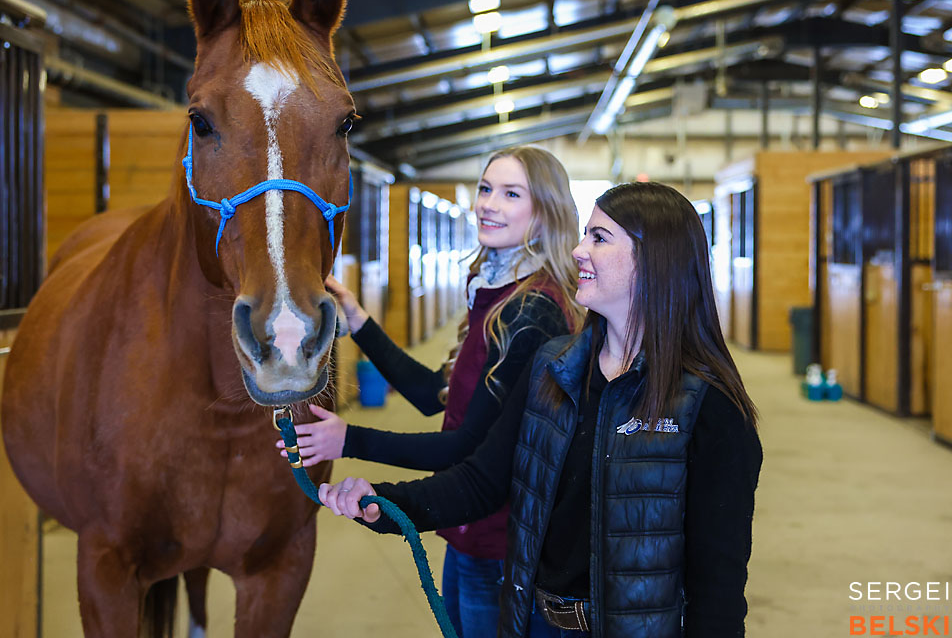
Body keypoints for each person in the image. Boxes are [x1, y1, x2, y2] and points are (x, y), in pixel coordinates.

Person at [317, 181, 763, 638]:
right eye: (585, 234)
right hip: (535, 623)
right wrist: (386, 504)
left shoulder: (710, 404)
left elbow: (719, 583)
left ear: (654, 261)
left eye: (599, 238)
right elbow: (481, 482)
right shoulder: (553, 367)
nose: (577, 251)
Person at [278, 146, 583, 638]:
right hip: (469, 534)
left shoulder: (531, 314)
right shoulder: (496, 292)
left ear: (545, 213)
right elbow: (436, 395)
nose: (489, 203)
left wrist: (350, 439)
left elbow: (467, 449)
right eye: (486, 189)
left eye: (510, 194)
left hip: (499, 545)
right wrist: (360, 321)